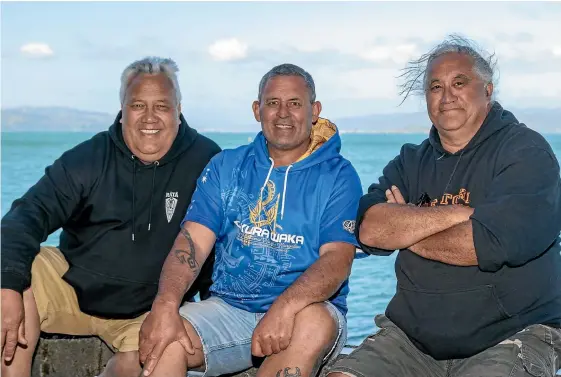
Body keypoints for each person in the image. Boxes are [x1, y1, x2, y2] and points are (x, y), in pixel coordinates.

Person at [327, 35, 561, 377]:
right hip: (411, 340)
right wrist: (458, 215)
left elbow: (485, 244)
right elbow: (370, 228)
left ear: (488, 90)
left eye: (460, 82)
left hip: (511, 336)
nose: (447, 95)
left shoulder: (525, 153)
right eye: (435, 86)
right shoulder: (410, 161)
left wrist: (405, 227)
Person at [138, 63, 363, 377]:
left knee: (312, 322)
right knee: (166, 339)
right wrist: (164, 304)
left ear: (314, 110)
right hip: (232, 308)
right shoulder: (227, 166)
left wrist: (284, 308)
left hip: (306, 310)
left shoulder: (338, 176)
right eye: (273, 103)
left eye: (295, 103)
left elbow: (337, 261)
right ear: (258, 110)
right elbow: (192, 243)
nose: (283, 113)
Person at [0, 57, 221, 377]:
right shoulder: (89, 157)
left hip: (148, 308)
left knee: (139, 364)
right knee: (13, 273)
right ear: (122, 110)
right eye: (137, 105)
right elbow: (27, 216)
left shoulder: (207, 160)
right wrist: (7, 284)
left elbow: (221, 245)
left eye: (161, 105)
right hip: (73, 286)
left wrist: (211, 308)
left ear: (179, 109)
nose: (149, 117)